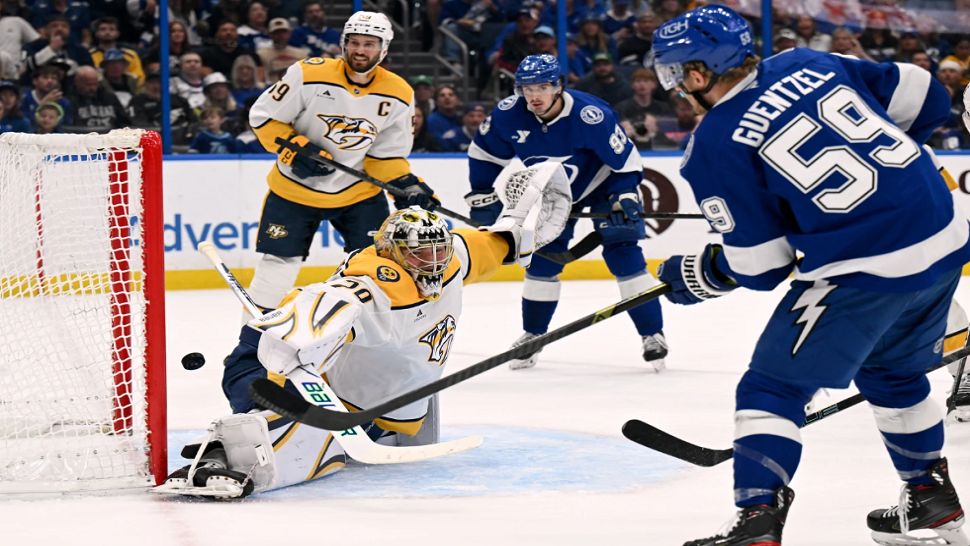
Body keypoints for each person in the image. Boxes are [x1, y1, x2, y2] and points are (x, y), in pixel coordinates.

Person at [651, 6, 970, 545]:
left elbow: (762, 266)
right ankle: (931, 500)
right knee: (891, 375)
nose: (676, 87)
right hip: (943, 240)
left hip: (865, 266)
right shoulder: (807, 60)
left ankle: (757, 523)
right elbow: (928, 97)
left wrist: (702, 271)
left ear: (700, 73)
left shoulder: (713, 146)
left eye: (676, 74)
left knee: (773, 386)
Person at [158, 198, 556, 498]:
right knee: (270, 396)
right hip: (307, 369)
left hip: (385, 403)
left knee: (338, 433)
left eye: (439, 251)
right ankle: (219, 457)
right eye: (420, 252)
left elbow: (491, 246)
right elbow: (309, 316)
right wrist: (289, 348)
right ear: (393, 252)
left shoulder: (453, 258)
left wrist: (521, 234)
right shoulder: (369, 287)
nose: (432, 262)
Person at [466, 53, 668, 371]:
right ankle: (533, 336)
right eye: (527, 88)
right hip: (552, 189)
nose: (534, 95)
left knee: (623, 251)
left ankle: (653, 335)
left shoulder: (592, 115)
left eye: (543, 87)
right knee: (542, 261)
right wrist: (480, 193)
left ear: (559, 86)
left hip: (605, 184)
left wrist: (625, 197)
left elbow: (626, 162)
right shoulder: (508, 114)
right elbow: (485, 154)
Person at [246, 11, 439, 314]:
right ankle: (253, 342)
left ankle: (364, 340)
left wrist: (406, 184)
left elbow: (386, 156)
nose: (361, 50)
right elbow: (264, 118)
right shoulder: (307, 73)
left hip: (358, 194)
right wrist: (295, 149)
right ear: (343, 43)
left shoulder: (399, 93)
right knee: (278, 264)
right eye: (355, 42)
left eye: (370, 44)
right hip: (293, 190)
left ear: (384, 48)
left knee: (376, 266)